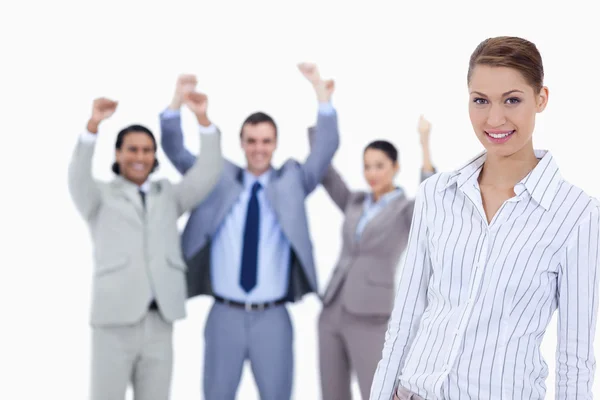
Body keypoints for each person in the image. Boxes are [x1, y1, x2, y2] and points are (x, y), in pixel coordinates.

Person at [370, 36, 600, 400]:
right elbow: (404, 321)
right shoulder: (437, 195)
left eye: (512, 100)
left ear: (541, 99)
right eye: (481, 101)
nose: (494, 119)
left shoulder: (577, 215)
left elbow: (574, 360)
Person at [159, 64, 339, 400]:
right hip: (223, 315)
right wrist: (176, 103)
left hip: (274, 318)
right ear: (241, 143)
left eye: (266, 141)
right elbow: (176, 151)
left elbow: (325, 149)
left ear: (275, 144)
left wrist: (321, 94)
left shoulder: (292, 182)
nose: (259, 148)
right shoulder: (217, 178)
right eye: (252, 141)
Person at [67, 95, 223, 400]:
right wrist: (93, 126)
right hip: (114, 323)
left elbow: (207, 173)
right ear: (118, 153)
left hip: (159, 321)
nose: (140, 156)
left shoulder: (169, 195)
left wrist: (203, 119)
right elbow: (76, 177)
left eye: (147, 150)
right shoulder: (99, 197)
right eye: (133, 149)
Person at [308, 114, 436, 399]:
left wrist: (424, 143)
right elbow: (325, 173)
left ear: (395, 167)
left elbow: (430, 202)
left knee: (376, 391)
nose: (372, 173)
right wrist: (322, 111)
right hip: (332, 309)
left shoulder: (404, 211)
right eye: (367, 166)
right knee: (332, 393)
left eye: (379, 166)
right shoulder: (355, 201)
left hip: (370, 314)